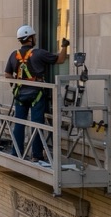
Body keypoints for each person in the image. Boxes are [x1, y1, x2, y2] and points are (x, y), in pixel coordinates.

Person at [5, 25, 69, 160]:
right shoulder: (38, 53)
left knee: (19, 123)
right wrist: (64, 46)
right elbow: (61, 60)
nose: (35, 39)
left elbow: (7, 73)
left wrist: (15, 84)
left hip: (20, 94)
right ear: (29, 38)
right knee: (37, 124)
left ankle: (16, 152)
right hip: (36, 94)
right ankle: (37, 155)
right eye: (33, 37)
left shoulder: (13, 55)